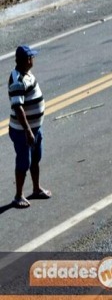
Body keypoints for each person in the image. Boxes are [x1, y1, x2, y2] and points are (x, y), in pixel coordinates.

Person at [8, 45, 51, 209]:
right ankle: (18, 196)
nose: (33, 59)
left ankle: (36, 188)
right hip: (22, 131)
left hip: (35, 128)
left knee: (35, 159)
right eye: (32, 57)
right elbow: (18, 107)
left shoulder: (27, 74)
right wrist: (27, 131)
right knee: (23, 162)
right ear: (27, 60)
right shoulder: (17, 79)